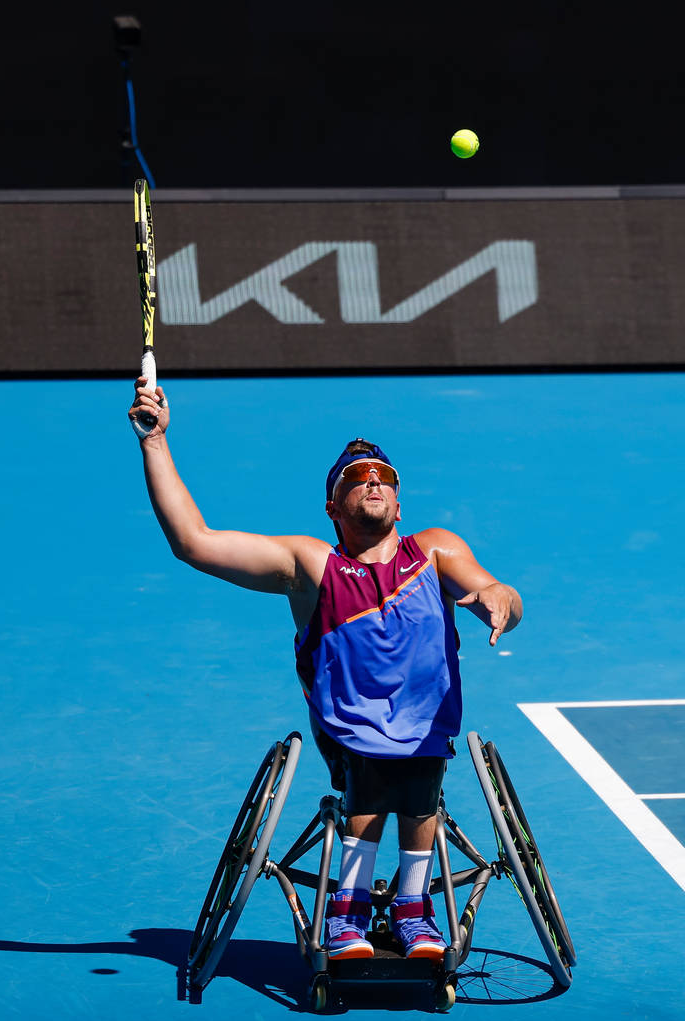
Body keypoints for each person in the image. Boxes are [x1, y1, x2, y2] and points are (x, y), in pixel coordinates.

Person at [128, 380, 523, 963]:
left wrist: (498, 599)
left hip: (425, 729)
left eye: (385, 477)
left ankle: (413, 909)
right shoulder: (311, 565)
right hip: (349, 730)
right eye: (358, 477)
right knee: (376, 772)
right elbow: (194, 542)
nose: (374, 482)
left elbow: (498, 591)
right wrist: (155, 441)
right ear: (334, 507)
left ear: (398, 503)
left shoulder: (435, 551)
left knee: (418, 773)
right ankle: (348, 910)